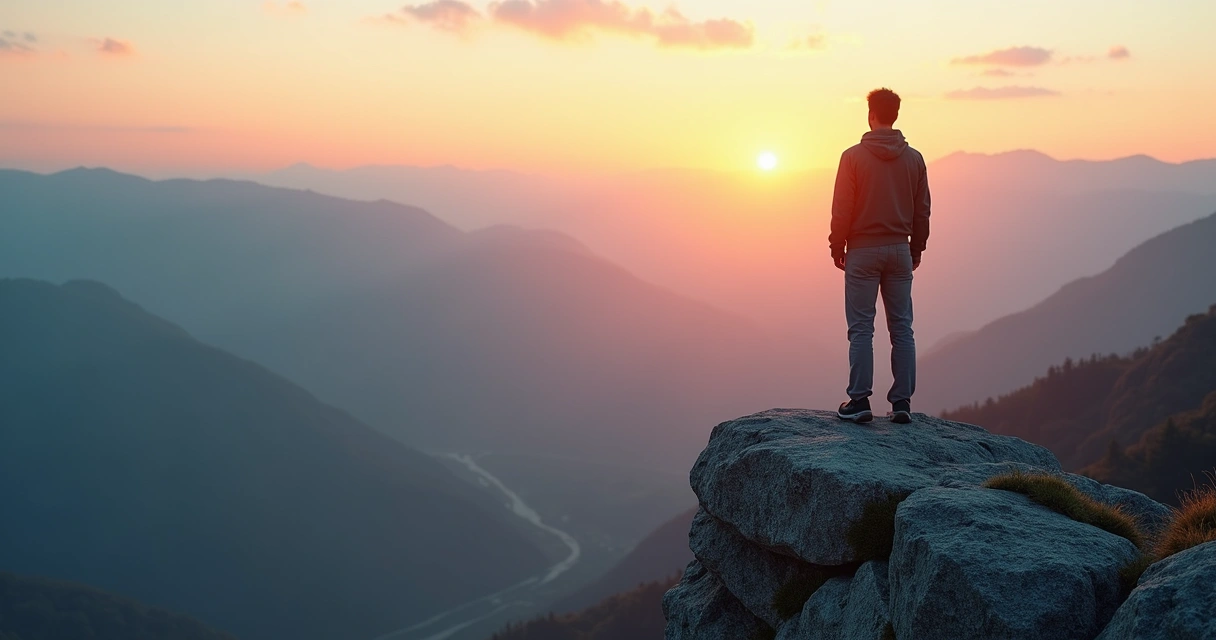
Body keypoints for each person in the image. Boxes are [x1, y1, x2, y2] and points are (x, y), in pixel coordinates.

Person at [829, 87, 930, 424]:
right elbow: (922, 211)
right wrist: (916, 248)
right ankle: (902, 403)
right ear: (895, 115)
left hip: (862, 249)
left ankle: (859, 401)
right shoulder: (914, 158)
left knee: (861, 329)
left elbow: (843, 207)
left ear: (870, 115)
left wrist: (836, 245)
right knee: (903, 328)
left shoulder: (852, 157)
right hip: (900, 249)